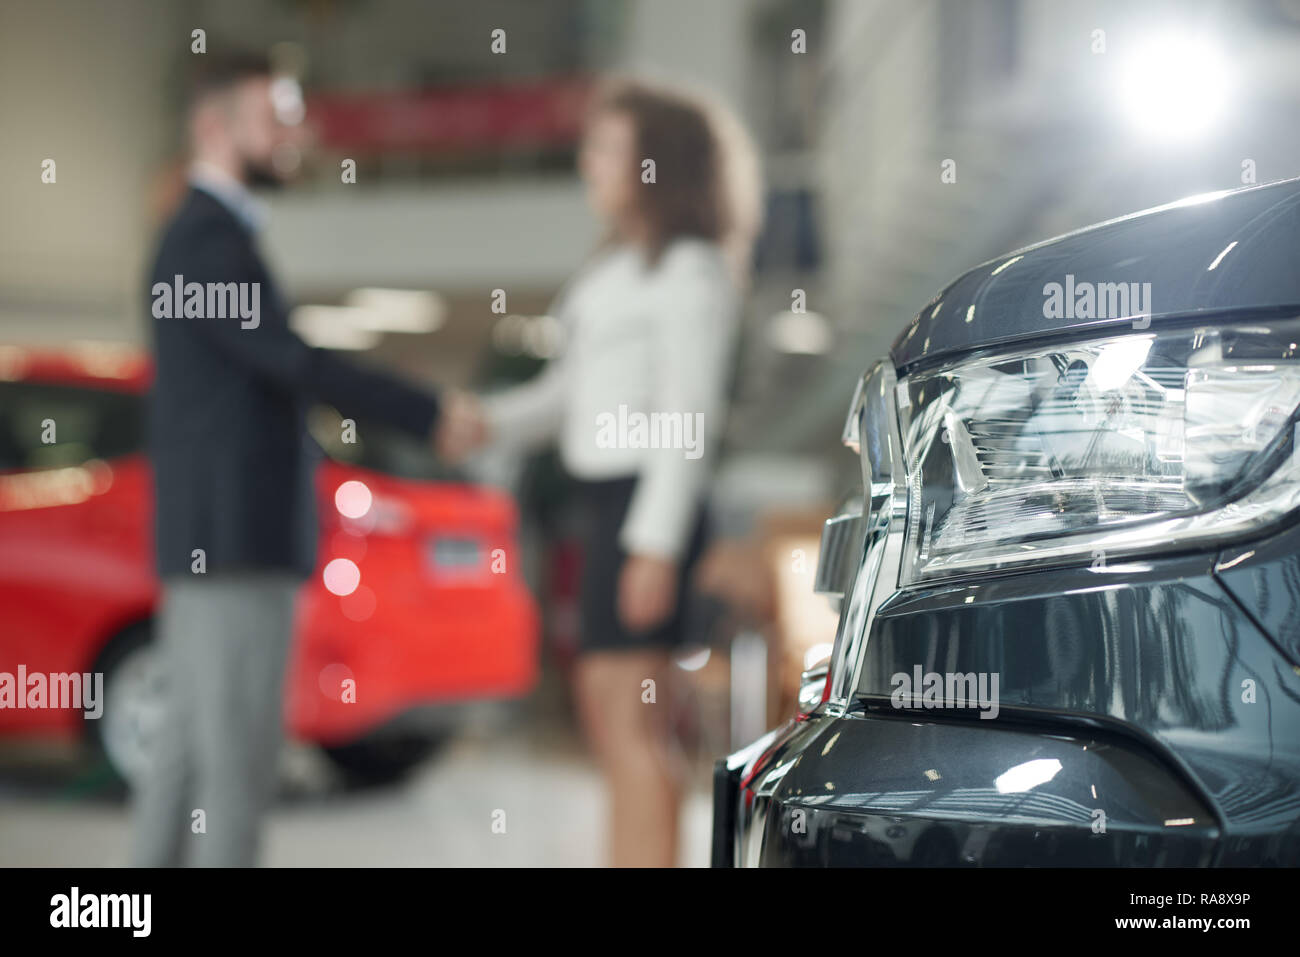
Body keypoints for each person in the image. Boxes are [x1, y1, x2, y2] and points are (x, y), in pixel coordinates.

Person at [131, 52, 479, 867]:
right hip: (233, 547)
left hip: (211, 545)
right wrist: (427, 412)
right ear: (214, 127)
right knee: (236, 770)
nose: (295, 133)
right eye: (274, 117)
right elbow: (292, 362)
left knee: (183, 759)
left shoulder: (203, 238)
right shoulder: (206, 243)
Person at [460, 78, 761, 867]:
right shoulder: (609, 273)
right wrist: (489, 420)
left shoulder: (690, 271)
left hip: (645, 509)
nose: (589, 164)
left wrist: (655, 546)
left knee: (633, 721)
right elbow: (569, 393)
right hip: (604, 507)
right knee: (608, 716)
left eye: (607, 150)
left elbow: (686, 418)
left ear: (657, 166)